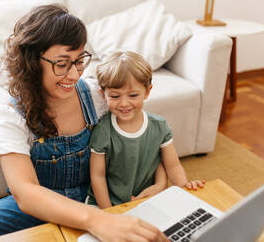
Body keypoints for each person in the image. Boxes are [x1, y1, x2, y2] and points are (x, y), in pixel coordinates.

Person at [0, 4, 169, 242]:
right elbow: (25, 193)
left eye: (79, 60)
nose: (74, 74)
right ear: (33, 61)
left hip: (98, 193)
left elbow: (143, 135)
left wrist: (160, 182)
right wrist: (97, 219)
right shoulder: (10, 115)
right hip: (39, 204)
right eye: (62, 63)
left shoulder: (96, 96)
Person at [86, 51, 205, 209]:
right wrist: (109, 212)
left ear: (147, 92)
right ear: (103, 95)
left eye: (133, 95)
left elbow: (173, 166)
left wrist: (184, 187)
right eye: (115, 96)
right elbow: (97, 176)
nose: (123, 103)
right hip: (107, 203)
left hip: (146, 199)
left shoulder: (159, 126)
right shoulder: (102, 131)